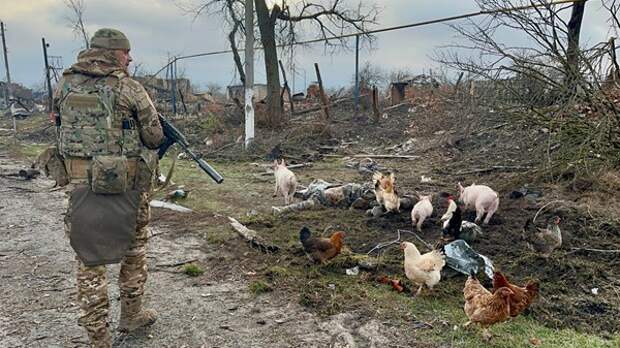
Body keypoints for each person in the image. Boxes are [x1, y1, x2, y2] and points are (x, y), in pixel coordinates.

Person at [52, 28, 164, 348]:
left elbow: (60, 127)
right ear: (114, 53)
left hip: (78, 185)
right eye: (126, 52)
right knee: (134, 245)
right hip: (125, 185)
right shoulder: (129, 88)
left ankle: (98, 337)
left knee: (89, 257)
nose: (130, 58)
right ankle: (130, 314)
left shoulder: (63, 85)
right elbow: (154, 136)